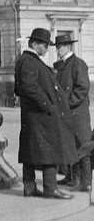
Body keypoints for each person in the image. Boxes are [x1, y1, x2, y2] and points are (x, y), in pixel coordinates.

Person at [14, 27, 75, 199]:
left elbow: (18, 89)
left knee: (30, 150)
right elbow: (29, 87)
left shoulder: (25, 60)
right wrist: (48, 106)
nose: (47, 48)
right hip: (41, 116)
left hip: (32, 115)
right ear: (35, 44)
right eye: (45, 45)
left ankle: (30, 187)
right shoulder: (30, 61)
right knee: (50, 150)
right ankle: (50, 188)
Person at [53, 34, 91, 192]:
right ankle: (72, 177)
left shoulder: (78, 64)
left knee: (83, 147)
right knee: (70, 147)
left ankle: (85, 182)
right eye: (56, 47)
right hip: (68, 113)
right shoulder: (63, 65)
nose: (57, 50)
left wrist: (67, 105)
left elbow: (82, 88)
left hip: (77, 113)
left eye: (59, 47)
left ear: (68, 47)